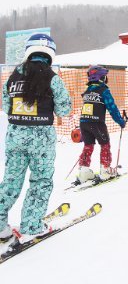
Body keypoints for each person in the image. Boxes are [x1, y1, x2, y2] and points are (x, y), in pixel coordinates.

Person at [0, 33, 72, 244]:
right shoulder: (52, 78)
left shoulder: (13, 76)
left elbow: (6, 105)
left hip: (15, 135)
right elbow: (64, 109)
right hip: (41, 137)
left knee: (11, 181)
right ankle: (31, 224)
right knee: (40, 181)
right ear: (50, 52)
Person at [76, 65, 126, 183]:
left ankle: (83, 171)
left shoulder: (87, 91)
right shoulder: (104, 90)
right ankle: (105, 170)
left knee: (88, 146)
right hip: (97, 123)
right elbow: (112, 107)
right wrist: (121, 121)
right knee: (105, 145)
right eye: (105, 77)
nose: (106, 79)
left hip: (84, 122)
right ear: (101, 78)